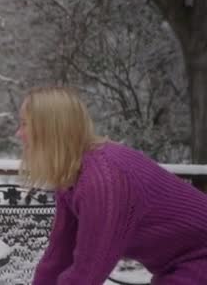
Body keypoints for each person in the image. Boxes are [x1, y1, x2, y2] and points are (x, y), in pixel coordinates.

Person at [15, 86, 207, 284]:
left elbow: (86, 274)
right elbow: (58, 257)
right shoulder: (71, 173)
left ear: (50, 128)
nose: (18, 133)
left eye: (24, 124)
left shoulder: (102, 181)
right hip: (176, 263)